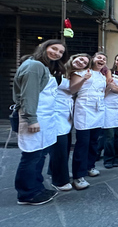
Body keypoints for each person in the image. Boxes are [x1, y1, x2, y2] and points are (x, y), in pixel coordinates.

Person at [13, 39, 67, 205]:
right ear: (43, 47)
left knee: (39, 154)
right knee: (31, 156)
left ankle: (37, 187)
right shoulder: (34, 66)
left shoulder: (42, 67)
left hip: (44, 118)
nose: (57, 53)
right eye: (54, 49)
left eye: (60, 52)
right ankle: (27, 194)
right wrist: (31, 119)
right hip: (35, 118)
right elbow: (29, 95)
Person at [50, 54, 90, 192]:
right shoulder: (57, 71)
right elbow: (72, 90)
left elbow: (73, 90)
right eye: (79, 59)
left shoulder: (73, 75)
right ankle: (59, 180)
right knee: (59, 146)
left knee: (65, 145)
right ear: (73, 58)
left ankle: (57, 172)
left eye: (84, 62)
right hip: (54, 111)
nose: (81, 62)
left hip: (66, 112)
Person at [70, 52, 108, 189]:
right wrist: (84, 79)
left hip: (98, 111)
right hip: (84, 110)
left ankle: (89, 166)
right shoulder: (81, 72)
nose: (101, 60)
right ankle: (78, 176)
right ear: (93, 59)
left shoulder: (103, 76)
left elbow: (103, 92)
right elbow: (72, 89)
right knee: (82, 143)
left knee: (93, 142)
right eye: (99, 58)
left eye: (104, 59)